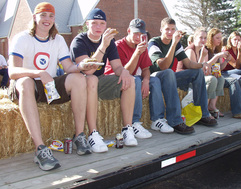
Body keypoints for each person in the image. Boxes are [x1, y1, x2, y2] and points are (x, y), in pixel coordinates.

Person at [8, 2, 92, 171]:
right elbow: (13, 71)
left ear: (54, 19)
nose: (47, 19)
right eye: (43, 15)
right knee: (25, 82)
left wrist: (82, 66)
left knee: (78, 79)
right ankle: (40, 149)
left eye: (51, 16)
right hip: (27, 84)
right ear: (34, 18)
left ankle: (79, 135)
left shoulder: (58, 39)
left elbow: (68, 68)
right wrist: (38, 72)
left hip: (49, 85)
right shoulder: (21, 38)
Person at [105, 18, 188, 134]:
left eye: (141, 34)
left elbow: (145, 69)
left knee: (154, 80)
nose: (138, 37)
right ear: (128, 31)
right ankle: (134, 122)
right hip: (115, 80)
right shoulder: (118, 46)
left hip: (131, 78)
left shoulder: (141, 46)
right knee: (135, 81)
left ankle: (157, 119)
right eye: (135, 33)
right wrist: (136, 53)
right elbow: (125, 72)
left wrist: (146, 79)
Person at [70, 8, 137, 147]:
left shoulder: (109, 41)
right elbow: (88, 71)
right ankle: (93, 133)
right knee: (92, 79)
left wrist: (124, 71)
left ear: (106, 25)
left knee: (130, 79)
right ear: (87, 24)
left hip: (99, 82)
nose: (98, 27)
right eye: (94, 23)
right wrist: (102, 46)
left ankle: (127, 128)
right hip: (79, 84)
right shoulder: (79, 41)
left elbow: (117, 67)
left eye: (101, 23)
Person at [148, 17, 217, 127]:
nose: (170, 32)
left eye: (173, 29)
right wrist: (173, 44)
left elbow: (189, 63)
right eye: (167, 29)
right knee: (169, 72)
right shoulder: (153, 43)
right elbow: (163, 66)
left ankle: (202, 115)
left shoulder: (177, 44)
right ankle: (175, 120)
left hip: (169, 77)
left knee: (198, 72)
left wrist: (202, 64)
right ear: (161, 30)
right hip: (155, 78)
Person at [181, 27, 226, 119]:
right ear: (195, 38)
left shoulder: (202, 50)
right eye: (200, 37)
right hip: (185, 80)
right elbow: (194, 71)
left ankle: (211, 106)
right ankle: (203, 111)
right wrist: (202, 57)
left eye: (205, 38)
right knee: (211, 80)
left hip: (196, 78)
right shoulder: (190, 51)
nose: (203, 40)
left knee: (220, 78)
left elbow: (204, 70)